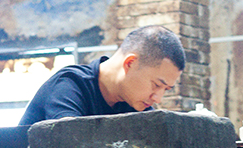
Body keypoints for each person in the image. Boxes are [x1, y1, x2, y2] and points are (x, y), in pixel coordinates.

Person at [18, 25, 185, 124]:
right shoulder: (69, 86)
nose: (157, 98)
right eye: (156, 85)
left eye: (166, 89)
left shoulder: (134, 104)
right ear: (130, 63)